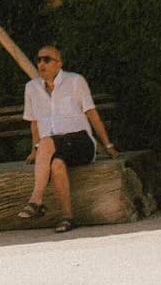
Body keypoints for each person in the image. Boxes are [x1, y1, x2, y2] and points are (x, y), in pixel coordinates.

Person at [16, 45, 117, 232]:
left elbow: (92, 114)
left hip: (80, 142)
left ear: (58, 64)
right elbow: (34, 122)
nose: (41, 63)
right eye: (39, 59)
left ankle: (36, 199)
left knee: (46, 142)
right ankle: (67, 217)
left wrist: (108, 145)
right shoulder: (31, 88)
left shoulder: (75, 81)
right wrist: (33, 151)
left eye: (47, 59)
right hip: (52, 146)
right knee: (56, 165)